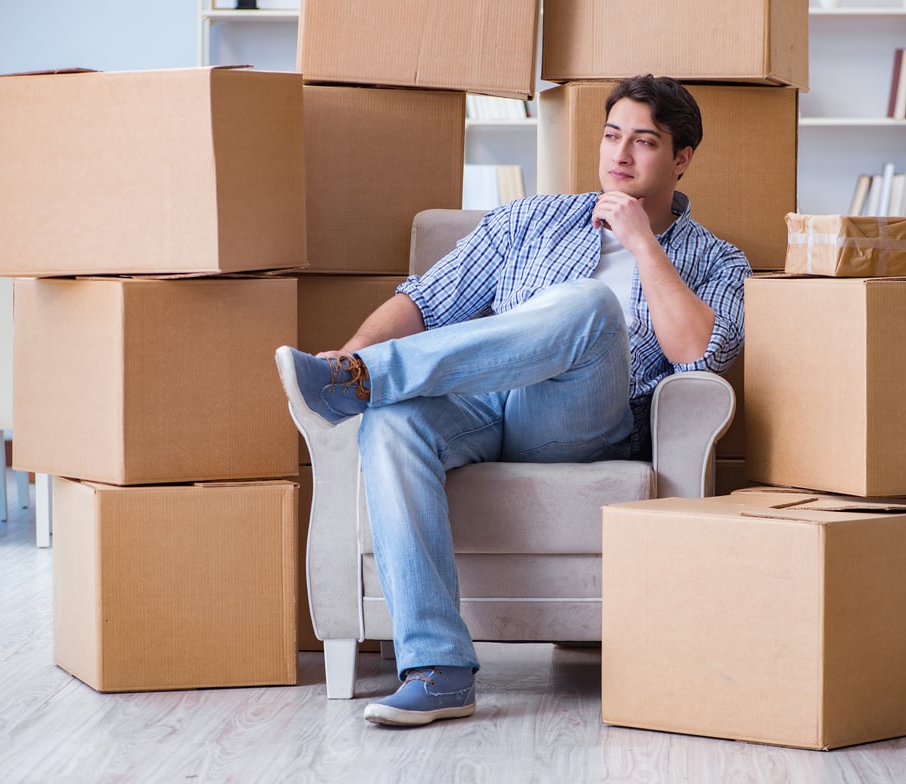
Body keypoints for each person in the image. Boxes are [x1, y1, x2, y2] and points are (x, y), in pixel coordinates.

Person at [276, 74, 751, 727]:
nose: (621, 155)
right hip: (482, 404)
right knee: (390, 422)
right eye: (613, 136)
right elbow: (425, 300)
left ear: (681, 158)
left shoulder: (717, 259)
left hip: (582, 423)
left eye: (644, 142)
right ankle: (438, 670)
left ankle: (364, 380)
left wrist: (641, 241)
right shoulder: (530, 220)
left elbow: (702, 354)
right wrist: (349, 350)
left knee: (586, 305)